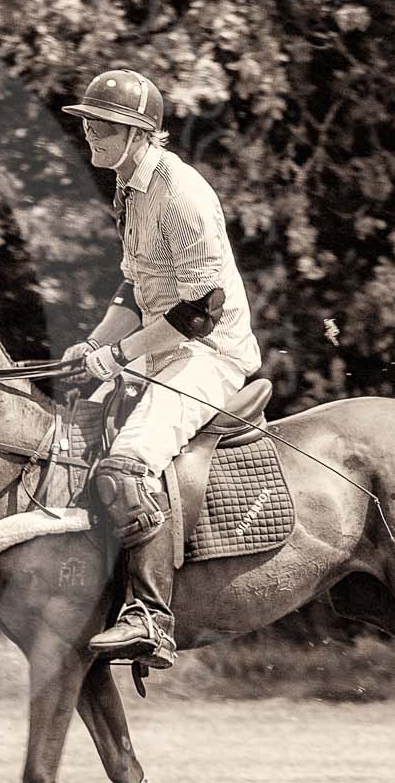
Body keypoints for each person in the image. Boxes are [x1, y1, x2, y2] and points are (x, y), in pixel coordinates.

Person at [59, 68, 262, 668]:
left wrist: (116, 356)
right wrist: (92, 345)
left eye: (106, 125)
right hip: (161, 347)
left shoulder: (182, 193)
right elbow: (137, 288)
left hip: (209, 354)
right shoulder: (128, 187)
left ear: (141, 133)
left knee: (125, 465)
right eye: (90, 123)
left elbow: (201, 310)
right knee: (74, 440)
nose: (92, 132)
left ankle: (151, 616)